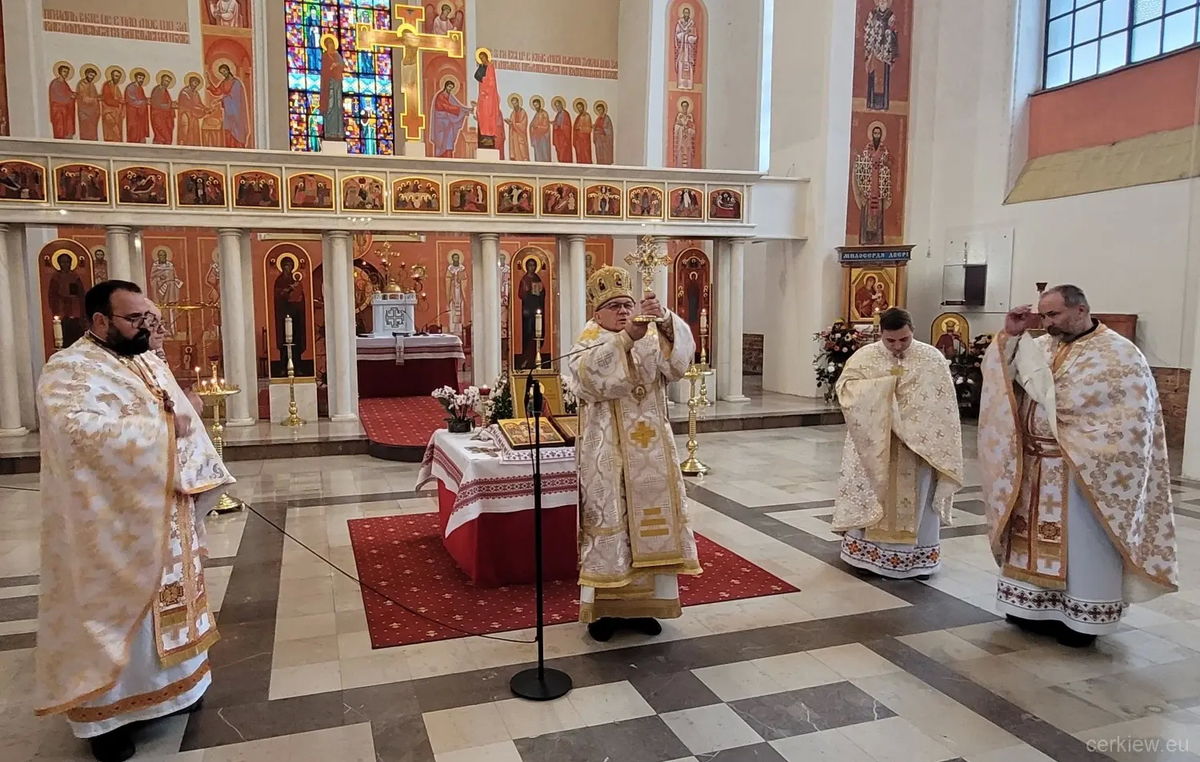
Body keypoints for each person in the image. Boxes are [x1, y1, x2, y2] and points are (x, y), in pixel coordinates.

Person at [34, 281, 232, 762]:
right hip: (109, 524)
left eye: (150, 318)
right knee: (114, 616)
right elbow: (77, 432)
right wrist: (163, 427)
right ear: (100, 321)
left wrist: (187, 414)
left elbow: (182, 414)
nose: (148, 327)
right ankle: (106, 720)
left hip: (165, 507)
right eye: (135, 319)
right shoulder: (70, 370)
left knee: (171, 601)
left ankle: (178, 690)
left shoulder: (146, 360)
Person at [979, 285, 1178, 647]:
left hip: (1081, 471)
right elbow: (1001, 379)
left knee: (1082, 544)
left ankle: (1080, 619)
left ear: (1081, 309)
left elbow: (1132, 419)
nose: (1047, 323)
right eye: (1043, 316)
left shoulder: (1118, 354)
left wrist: (1078, 441)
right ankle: (1028, 608)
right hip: (1033, 467)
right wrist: (1010, 337)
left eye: (1053, 315)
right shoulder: (1039, 346)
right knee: (1027, 537)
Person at [564, 266, 700, 641]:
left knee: (652, 524)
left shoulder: (650, 334)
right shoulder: (589, 340)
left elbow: (679, 364)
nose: (623, 311)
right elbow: (589, 380)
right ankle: (605, 613)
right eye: (614, 306)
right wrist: (625, 340)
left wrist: (665, 319)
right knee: (612, 525)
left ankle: (645, 607)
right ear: (597, 313)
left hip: (652, 451)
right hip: (608, 454)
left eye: (627, 304)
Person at [833, 308, 963, 579]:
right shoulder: (865, 357)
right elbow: (845, 390)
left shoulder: (931, 358)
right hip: (876, 445)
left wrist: (912, 424)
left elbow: (943, 405)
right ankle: (866, 558)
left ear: (913, 330)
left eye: (904, 339)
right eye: (890, 340)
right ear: (881, 334)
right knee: (874, 495)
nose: (897, 346)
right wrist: (885, 391)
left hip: (918, 448)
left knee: (918, 500)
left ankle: (918, 560)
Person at [206, 64, 250, 148]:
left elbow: (235, 98)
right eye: (221, 72)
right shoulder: (224, 82)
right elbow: (217, 91)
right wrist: (209, 81)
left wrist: (220, 100)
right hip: (228, 112)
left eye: (224, 71)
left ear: (228, 70)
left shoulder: (236, 82)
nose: (223, 74)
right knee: (228, 130)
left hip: (237, 112)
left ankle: (238, 147)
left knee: (237, 130)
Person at [430, 80, 472, 158]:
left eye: (451, 88)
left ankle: (449, 156)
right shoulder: (440, 96)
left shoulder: (450, 96)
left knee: (449, 140)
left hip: (449, 122)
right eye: (449, 87)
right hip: (441, 123)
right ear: (446, 86)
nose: (450, 89)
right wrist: (461, 111)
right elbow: (447, 107)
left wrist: (466, 110)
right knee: (441, 140)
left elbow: (458, 105)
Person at [49, 64, 76, 139]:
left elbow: (67, 92)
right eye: (64, 71)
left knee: (68, 127)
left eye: (67, 72)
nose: (66, 74)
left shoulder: (64, 83)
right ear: (60, 72)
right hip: (59, 110)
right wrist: (70, 97)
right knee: (60, 128)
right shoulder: (55, 83)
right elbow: (58, 96)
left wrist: (73, 94)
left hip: (66, 110)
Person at [124, 71, 150, 144]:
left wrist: (146, 100)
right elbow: (131, 100)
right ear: (136, 78)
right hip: (133, 113)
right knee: (133, 130)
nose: (141, 80)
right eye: (139, 78)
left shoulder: (140, 88)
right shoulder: (130, 87)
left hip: (140, 114)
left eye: (142, 78)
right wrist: (144, 102)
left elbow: (142, 98)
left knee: (140, 130)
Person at [149, 73, 176, 145]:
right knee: (161, 136)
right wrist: (169, 105)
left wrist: (171, 105)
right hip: (159, 117)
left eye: (168, 82)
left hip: (166, 118)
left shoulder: (165, 91)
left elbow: (167, 102)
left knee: (167, 137)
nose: (167, 83)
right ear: (161, 80)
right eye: (166, 81)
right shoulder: (157, 90)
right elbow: (156, 104)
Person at [76, 67, 101, 141]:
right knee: (86, 132)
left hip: (93, 114)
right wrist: (96, 99)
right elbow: (84, 99)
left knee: (93, 132)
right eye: (90, 75)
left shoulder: (92, 85)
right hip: (85, 113)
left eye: (93, 76)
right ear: (86, 74)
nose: (92, 77)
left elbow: (94, 96)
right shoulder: (81, 84)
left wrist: (98, 97)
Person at [505, 94, 529, 161]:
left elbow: (523, 125)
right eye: (513, 104)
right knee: (515, 148)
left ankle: (524, 159)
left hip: (521, 135)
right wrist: (510, 123)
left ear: (518, 102)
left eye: (515, 103)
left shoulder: (523, 112)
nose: (514, 105)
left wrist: (513, 124)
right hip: (514, 135)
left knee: (522, 148)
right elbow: (512, 124)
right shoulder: (513, 113)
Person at [529, 96, 551, 162]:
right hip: (537, 138)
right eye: (534, 105)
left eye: (537, 105)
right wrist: (532, 127)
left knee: (544, 153)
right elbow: (532, 124)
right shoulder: (536, 114)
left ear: (540, 104)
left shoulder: (544, 114)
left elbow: (546, 126)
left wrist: (538, 127)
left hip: (543, 138)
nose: (536, 107)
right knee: (538, 154)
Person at [551, 97, 572, 163]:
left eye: (558, 105)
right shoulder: (558, 114)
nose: (557, 107)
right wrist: (554, 123)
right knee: (559, 151)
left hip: (563, 137)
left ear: (561, 105)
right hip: (558, 137)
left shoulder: (565, 114)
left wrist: (559, 126)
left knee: (564, 152)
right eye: (556, 106)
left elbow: (567, 126)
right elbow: (557, 122)